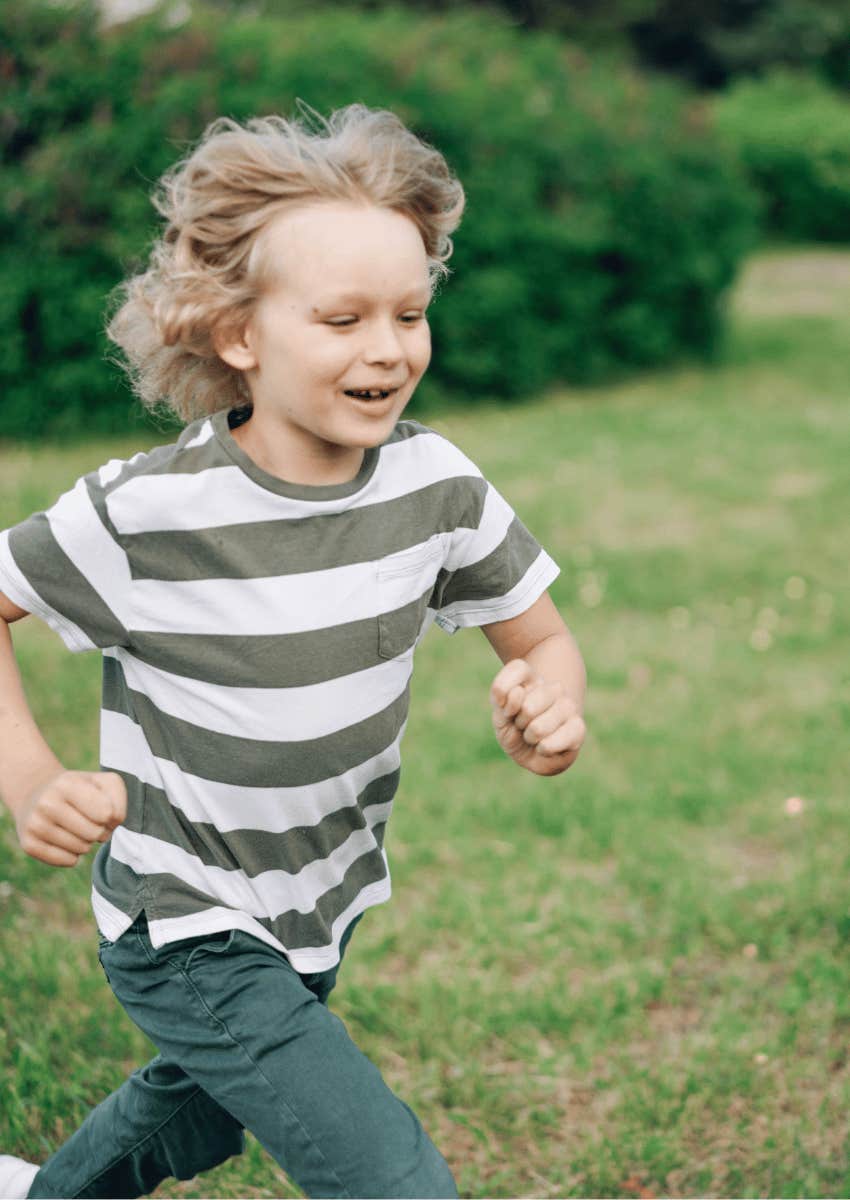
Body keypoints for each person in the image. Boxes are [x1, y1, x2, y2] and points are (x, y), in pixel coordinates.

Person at [0, 102, 587, 1199]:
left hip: (321, 895)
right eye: (342, 318)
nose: (388, 347)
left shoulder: (436, 487)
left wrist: (549, 708)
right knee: (391, 1178)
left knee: (196, 1116)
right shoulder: (148, 514)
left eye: (410, 314)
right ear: (238, 335)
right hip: (183, 915)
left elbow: (543, 639)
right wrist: (30, 780)